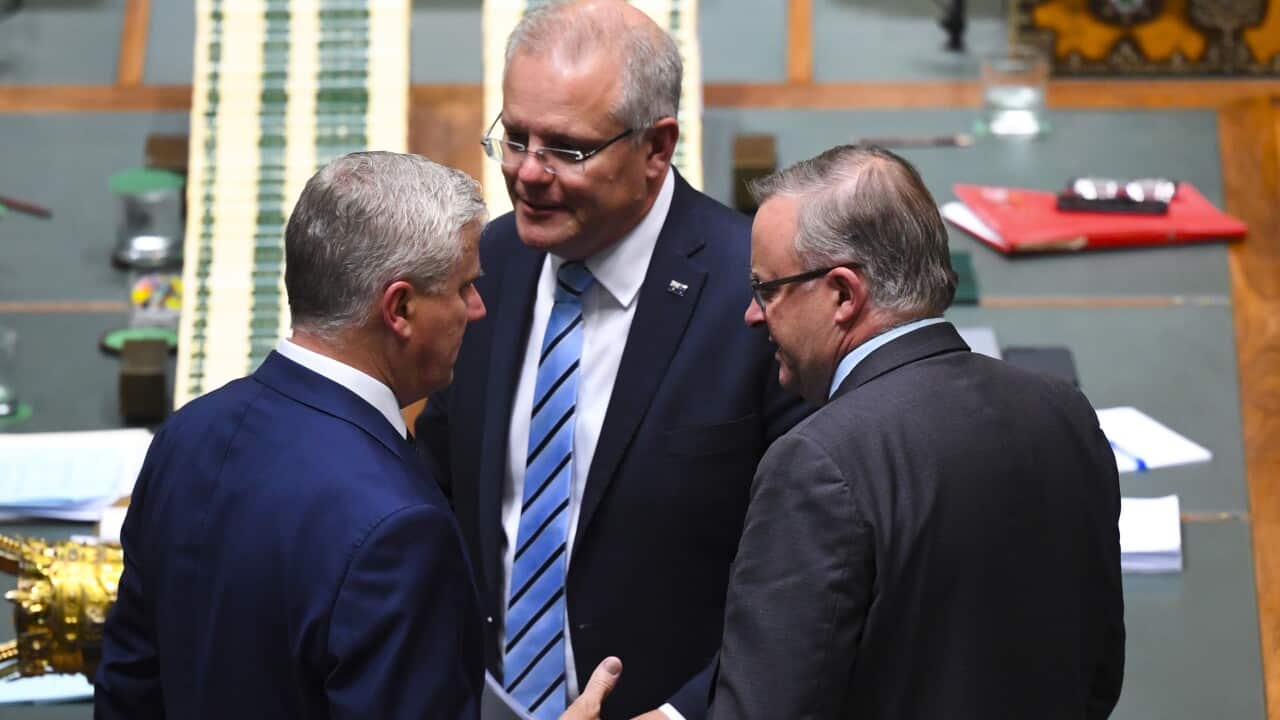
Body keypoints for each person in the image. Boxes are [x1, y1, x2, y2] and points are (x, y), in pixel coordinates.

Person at [94, 151, 621, 720]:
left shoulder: (187, 434)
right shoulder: (399, 531)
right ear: (400, 307)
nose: (477, 309)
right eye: (464, 287)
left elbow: (129, 689)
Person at [414, 2, 809, 718]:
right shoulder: (485, 267)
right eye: (515, 138)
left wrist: (683, 715)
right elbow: (437, 485)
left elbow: (806, 570)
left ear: (657, 148)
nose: (527, 174)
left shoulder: (754, 296)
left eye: (566, 150)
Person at [711, 145, 1126, 719]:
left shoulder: (817, 464)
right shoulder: (1063, 413)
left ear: (842, 294)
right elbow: (1099, 673)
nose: (753, 314)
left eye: (767, 288)